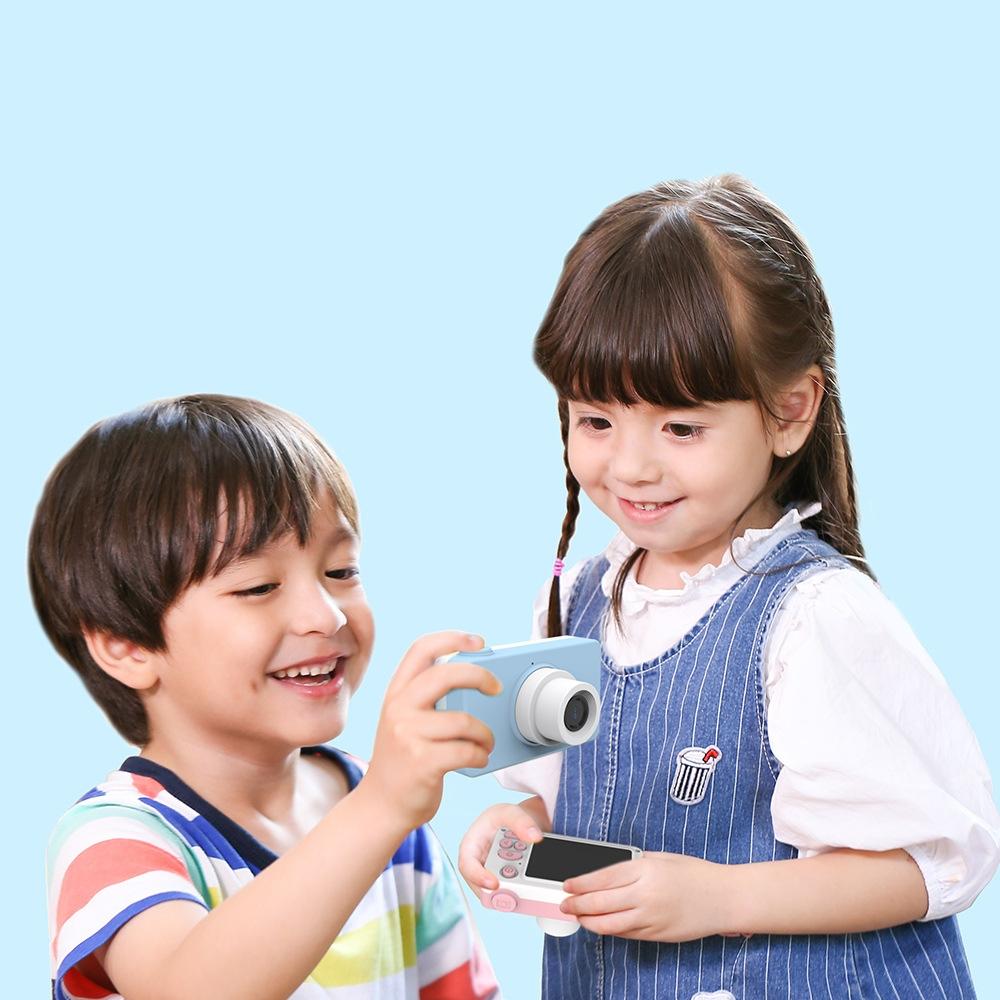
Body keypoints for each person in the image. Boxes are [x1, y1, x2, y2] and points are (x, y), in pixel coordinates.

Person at [458, 175, 1000, 999]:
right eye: (595, 420)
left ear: (790, 411)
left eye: (681, 427)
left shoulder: (813, 618)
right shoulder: (578, 602)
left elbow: (936, 860)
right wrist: (521, 830)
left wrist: (720, 898)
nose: (631, 466)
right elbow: (567, 802)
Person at [32, 394, 502, 1000]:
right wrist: (381, 807)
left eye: (341, 572)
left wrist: (384, 807)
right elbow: (187, 989)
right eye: (258, 586)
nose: (325, 615)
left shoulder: (384, 813)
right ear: (127, 646)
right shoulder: (113, 837)